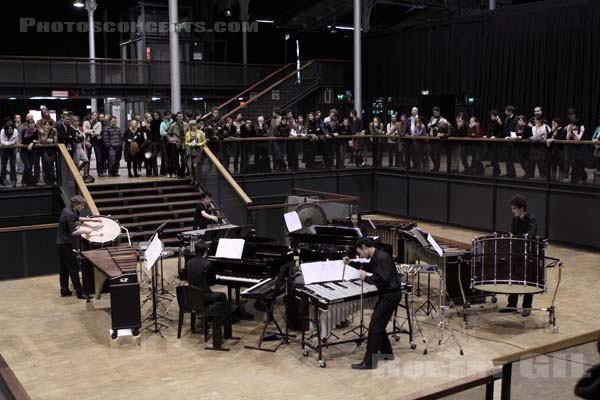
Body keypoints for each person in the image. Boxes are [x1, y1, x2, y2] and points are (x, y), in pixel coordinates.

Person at [344, 238, 403, 369]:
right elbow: (370, 267)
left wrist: (366, 278)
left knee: (375, 326)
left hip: (391, 295)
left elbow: (382, 279)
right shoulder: (376, 256)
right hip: (388, 294)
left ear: (364, 247)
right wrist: (351, 263)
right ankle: (387, 353)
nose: (360, 255)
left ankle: (369, 363)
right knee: (379, 325)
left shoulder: (381, 257)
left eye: (360, 252)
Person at [500, 195, 538, 317]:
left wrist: (519, 237)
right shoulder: (515, 220)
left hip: (529, 253)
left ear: (521, 208)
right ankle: (511, 305)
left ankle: (527, 307)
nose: (513, 211)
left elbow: (530, 235)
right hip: (517, 251)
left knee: (527, 280)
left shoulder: (531, 219)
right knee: (514, 278)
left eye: (514, 208)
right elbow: (513, 233)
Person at [56, 195, 99, 300]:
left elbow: (78, 218)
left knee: (64, 268)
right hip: (66, 243)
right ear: (75, 204)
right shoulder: (69, 214)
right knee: (73, 268)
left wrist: (92, 221)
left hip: (60, 243)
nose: (82, 207)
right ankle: (80, 293)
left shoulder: (67, 210)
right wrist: (88, 231)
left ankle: (64, 290)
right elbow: (74, 232)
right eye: (81, 205)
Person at [83, 111, 105, 177]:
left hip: (96, 141)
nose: (95, 116)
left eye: (96, 115)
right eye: (94, 115)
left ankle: (100, 172)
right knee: (87, 157)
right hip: (88, 140)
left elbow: (98, 132)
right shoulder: (86, 122)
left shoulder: (99, 123)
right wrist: (92, 131)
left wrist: (89, 131)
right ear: (91, 116)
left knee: (99, 157)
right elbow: (84, 130)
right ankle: (86, 173)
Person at [167, 112, 188, 178]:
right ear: (176, 117)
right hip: (175, 143)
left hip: (183, 143)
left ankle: (182, 173)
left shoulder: (186, 125)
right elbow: (168, 134)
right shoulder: (173, 125)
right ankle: (178, 173)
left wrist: (187, 139)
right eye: (179, 116)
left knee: (183, 160)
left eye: (181, 116)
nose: (180, 118)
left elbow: (189, 133)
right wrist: (172, 140)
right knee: (175, 160)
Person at [184, 120, 206, 186]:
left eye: (195, 125)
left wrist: (198, 144)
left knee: (195, 165)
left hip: (198, 151)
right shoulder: (188, 133)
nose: (194, 126)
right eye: (192, 125)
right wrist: (190, 144)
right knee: (191, 167)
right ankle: (193, 179)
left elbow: (204, 141)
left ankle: (197, 180)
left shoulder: (200, 132)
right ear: (190, 126)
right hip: (191, 151)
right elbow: (185, 142)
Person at [20, 119, 39, 186]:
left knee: (30, 167)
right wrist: (32, 141)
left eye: (33, 123)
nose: (32, 125)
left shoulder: (36, 131)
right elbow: (24, 141)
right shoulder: (24, 131)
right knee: (27, 166)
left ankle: (28, 181)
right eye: (30, 123)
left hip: (33, 151)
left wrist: (32, 143)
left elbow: (37, 139)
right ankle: (24, 180)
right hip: (24, 151)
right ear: (28, 125)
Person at [0, 122, 18, 187]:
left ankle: (13, 180)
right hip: (4, 149)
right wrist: (10, 143)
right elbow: (2, 141)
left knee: (13, 165)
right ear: (6, 129)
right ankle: (3, 180)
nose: (10, 130)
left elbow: (15, 141)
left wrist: (8, 143)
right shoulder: (2, 131)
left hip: (12, 149)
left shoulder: (15, 131)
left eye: (11, 128)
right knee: (3, 164)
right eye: (9, 128)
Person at [159, 111, 172, 176]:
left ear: (171, 115)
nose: (168, 116)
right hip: (164, 141)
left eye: (169, 115)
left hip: (172, 140)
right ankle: (165, 171)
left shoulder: (173, 122)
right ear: (164, 116)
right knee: (165, 157)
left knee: (172, 157)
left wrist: (166, 132)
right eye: (166, 115)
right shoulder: (162, 123)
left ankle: (171, 171)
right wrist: (169, 133)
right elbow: (161, 133)